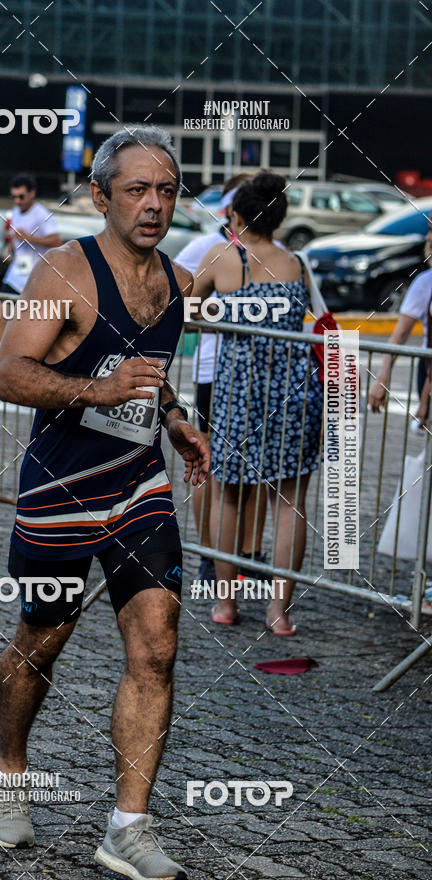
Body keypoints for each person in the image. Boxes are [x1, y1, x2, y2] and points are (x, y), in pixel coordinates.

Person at [0, 126, 209, 880]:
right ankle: (10, 769)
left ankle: (128, 828)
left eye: (167, 191)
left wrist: (177, 422)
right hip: (59, 489)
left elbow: (154, 375)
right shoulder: (62, 272)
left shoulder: (178, 282)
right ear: (100, 195)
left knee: (157, 645)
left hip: (138, 486)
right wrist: (98, 390)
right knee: (40, 645)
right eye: (137, 190)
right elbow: (10, 374)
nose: (154, 205)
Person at [193, 171, 323, 634]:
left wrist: (219, 314)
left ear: (238, 216)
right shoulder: (298, 264)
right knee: (290, 503)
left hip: (239, 394)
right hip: (294, 396)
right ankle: (279, 612)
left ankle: (226, 604)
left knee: (229, 496)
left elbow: (185, 316)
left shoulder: (222, 259)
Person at [175, 173, 271, 584]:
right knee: (211, 465)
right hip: (216, 371)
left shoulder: (276, 252)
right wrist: (226, 317)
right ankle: (211, 556)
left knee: (259, 470)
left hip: (263, 376)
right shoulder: (205, 247)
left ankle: (248, 555)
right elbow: (179, 304)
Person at [369, 225, 432, 424]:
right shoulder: (425, 283)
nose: (429, 238)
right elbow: (400, 334)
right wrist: (382, 379)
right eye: (429, 230)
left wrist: (425, 397)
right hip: (428, 368)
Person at [0, 173, 61, 296]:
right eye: (14, 197)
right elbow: (15, 237)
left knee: (23, 314)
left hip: (34, 280)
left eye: (21, 196)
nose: (17, 201)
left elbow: (57, 241)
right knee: (1, 312)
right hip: (14, 276)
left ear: (32, 193)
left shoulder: (41, 214)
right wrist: (8, 250)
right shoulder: (16, 211)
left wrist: (29, 238)